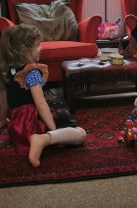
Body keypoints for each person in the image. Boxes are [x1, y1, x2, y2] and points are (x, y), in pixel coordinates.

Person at [0, 24, 86, 167]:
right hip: (32, 123)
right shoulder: (32, 73)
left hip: (17, 128)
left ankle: (40, 138)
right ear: (25, 50)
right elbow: (40, 104)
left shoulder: (8, 71)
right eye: (38, 45)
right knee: (80, 134)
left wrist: (3, 122)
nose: (41, 48)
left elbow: (4, 103)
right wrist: (54, 130)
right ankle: (43, 139)